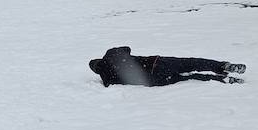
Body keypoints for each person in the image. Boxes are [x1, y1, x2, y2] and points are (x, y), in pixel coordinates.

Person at [89, 46, 245, 87]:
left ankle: (224, 80)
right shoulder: (111, 54)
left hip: (154, 80)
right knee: (191, 63)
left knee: (191, 77)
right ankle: (223, 66)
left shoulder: (106, 79)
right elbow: (127, 48)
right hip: (156, 63)